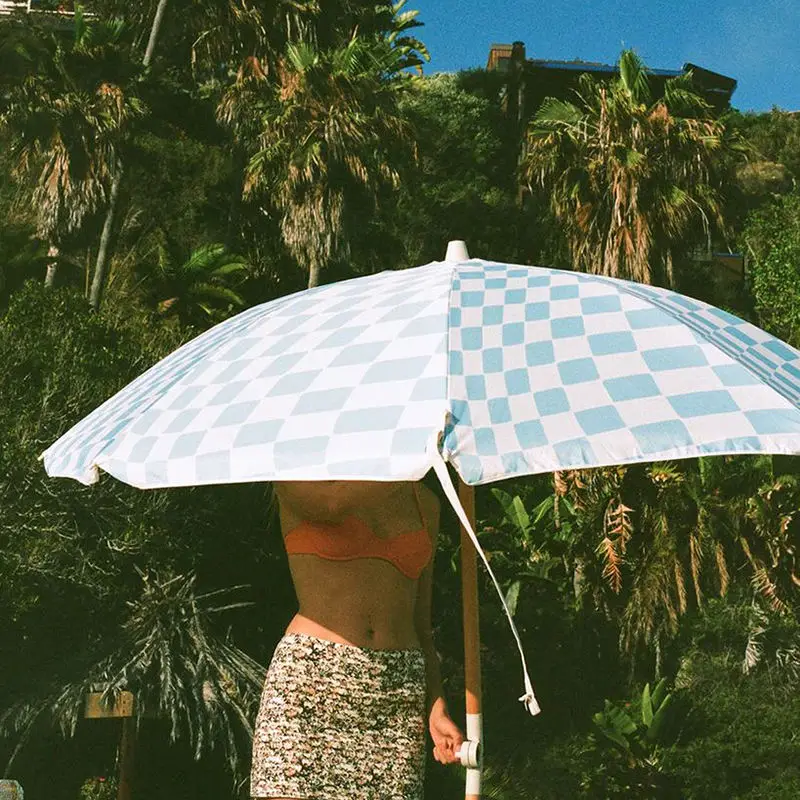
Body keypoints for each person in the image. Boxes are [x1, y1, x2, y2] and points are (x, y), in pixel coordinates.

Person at [250, 479, 465, 800]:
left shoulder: (425, 502)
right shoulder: (297, 476)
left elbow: (421, 623)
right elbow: (333, 505)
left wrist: (436, 706)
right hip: (312, 686)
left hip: (397, 696)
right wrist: (404, 466)